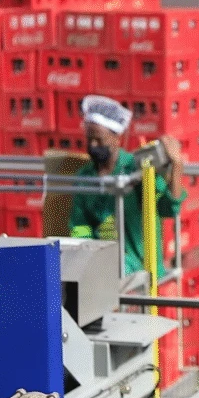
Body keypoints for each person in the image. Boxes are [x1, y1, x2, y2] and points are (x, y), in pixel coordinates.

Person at [69, 95, 187, 280]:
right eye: (89, 139)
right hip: (100, 258)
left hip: (139, 262)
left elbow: (168, 208)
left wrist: (177, 166)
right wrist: (85, 251)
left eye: (99, 140)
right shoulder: (85, 177)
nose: (93, 145)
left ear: (117, 138)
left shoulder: (137, 168)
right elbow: (80, 224)